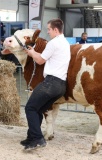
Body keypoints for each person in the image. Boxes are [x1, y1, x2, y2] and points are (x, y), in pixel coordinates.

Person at [21, 18, 71, 150]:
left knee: (30, 108)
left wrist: (31, 53)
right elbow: (45, 56)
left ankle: (38, 139)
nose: (48, 32)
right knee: (38, 109)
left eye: (49, 29)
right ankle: (31, 137)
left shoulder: (53, 43)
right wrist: (33, 52)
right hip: (61, 85)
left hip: (51, 83)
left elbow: (40, 60)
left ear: (55, 30)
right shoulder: (65, 42)